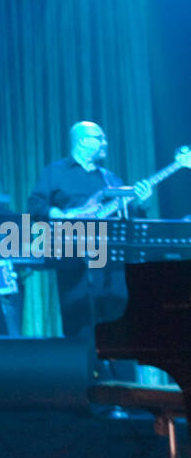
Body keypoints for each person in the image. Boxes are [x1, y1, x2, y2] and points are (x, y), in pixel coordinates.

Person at [27, 121, 151, 336]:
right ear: (83, 141)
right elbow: (35, 206)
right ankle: (85, 368)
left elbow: (128, 218)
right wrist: (65, 215)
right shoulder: (54, 172)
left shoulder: (110, 178)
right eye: (99, 138)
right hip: (73, 258)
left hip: (111, 262)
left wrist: (142, 203)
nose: (105, 142)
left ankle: (118, 369)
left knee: (119, 324)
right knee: (79, 328)